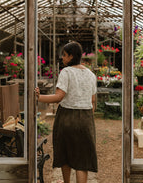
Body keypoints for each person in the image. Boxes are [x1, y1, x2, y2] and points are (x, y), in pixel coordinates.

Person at [35, 41, 98, 183]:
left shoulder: (66, 72)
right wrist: (86, 117)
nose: (62, 58)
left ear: (71, 56)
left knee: (66, 156)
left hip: (67, 118)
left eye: (64, 55)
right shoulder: (91, 75)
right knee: (82, 160)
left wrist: (39, 97)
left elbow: (59, 97)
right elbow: (93, 102)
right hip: (86, 119)